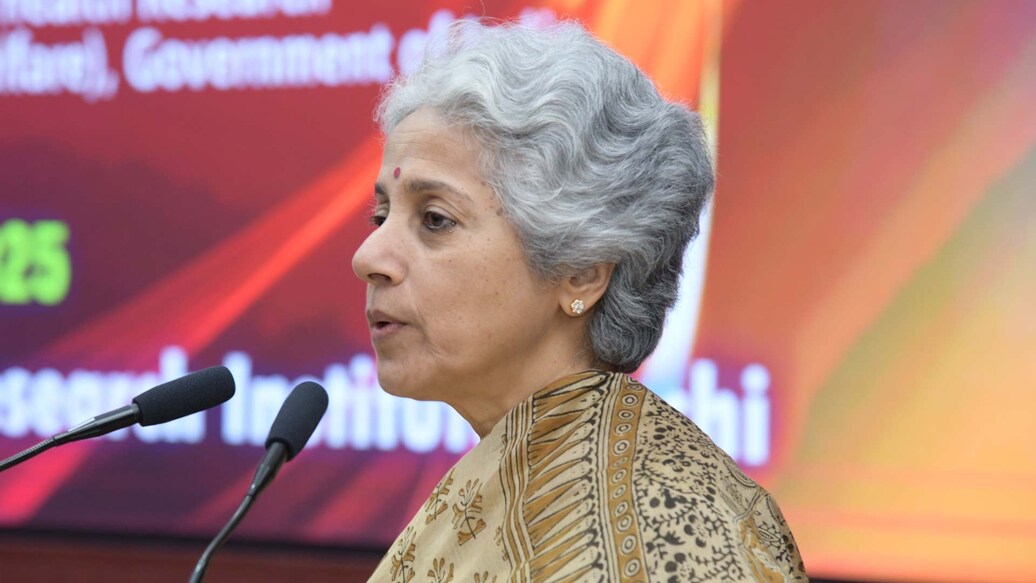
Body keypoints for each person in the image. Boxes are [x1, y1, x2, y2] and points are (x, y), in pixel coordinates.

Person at [353, 18, 806, 583]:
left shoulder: (664, 538)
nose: (368, 255)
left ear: (582, 273)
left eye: (435, 220)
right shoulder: (515, 466)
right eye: (380, 215)